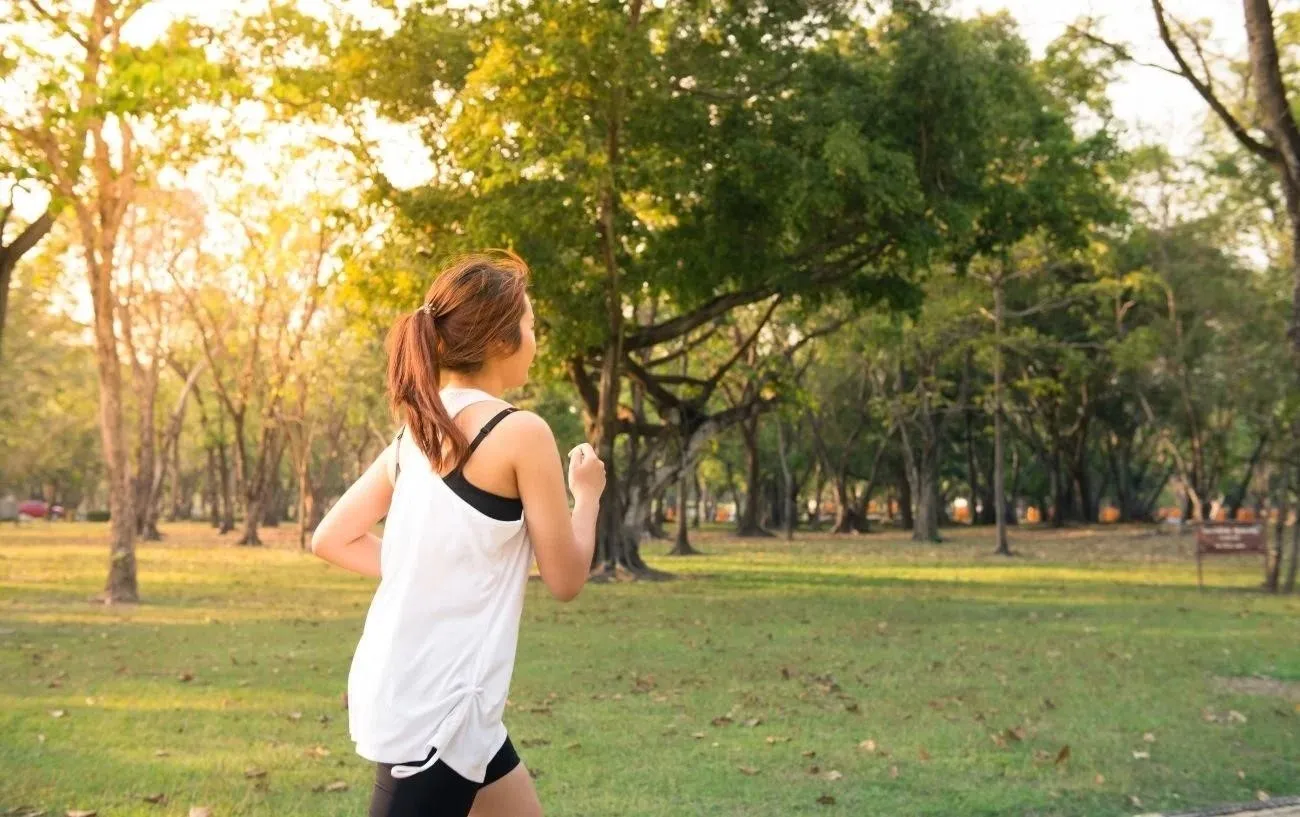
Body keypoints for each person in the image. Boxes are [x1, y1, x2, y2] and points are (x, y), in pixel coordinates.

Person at [311, 251, 605, 817]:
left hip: (450, 703)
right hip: (437, 713)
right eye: (530, 326)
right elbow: (565, 578)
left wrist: (430, 567)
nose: (535, 339)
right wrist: (587, 495)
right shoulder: (520, 432)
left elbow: (333, 538)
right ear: (500, 340)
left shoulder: (415, 433)